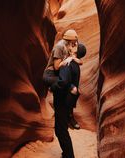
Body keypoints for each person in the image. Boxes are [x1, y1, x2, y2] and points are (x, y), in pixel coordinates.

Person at [43, 29, 86, 158]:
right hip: (51, 78)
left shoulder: (68, 64)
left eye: (76, 44)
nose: (75, 45)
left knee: (60, 130)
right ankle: (70, 115)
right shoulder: (64, 53)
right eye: (74, 43)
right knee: (61, 128)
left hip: (62, 100)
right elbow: (56, 68)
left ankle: (68, 155)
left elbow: (63, 81)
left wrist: (54, 88)